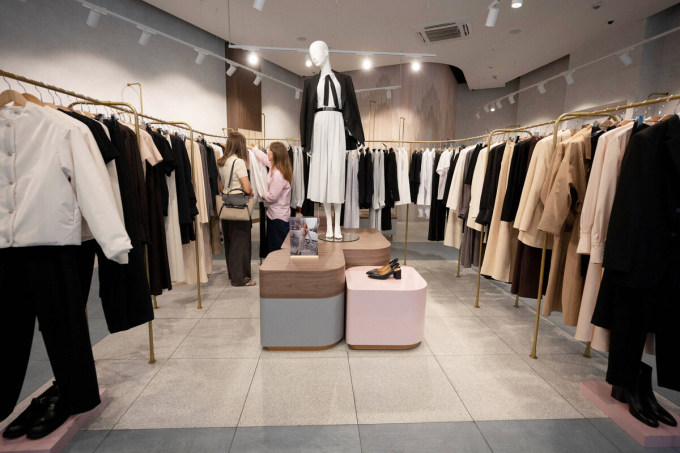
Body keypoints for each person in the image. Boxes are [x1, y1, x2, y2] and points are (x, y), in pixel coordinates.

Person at [217, 131, 256, 287]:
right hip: (238, 205)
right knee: (241, 242)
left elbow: (220, 186)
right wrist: (251, 193)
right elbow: (246, 187)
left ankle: (233, 274)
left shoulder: (221, 161)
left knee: (230, 241)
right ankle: (240, 279)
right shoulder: (238, 162)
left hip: (226, 205)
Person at [251, 141, 293, 253]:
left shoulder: (278, 174)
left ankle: (279, 269)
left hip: (278, 217)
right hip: (274, 214)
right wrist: (254, 150)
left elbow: (272, 197)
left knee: (278, 249)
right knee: (275, 246)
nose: (268, 151)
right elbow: (264, 158)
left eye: (270, 150)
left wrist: (261, 193)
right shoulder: (275, 167)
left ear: (275, 153)